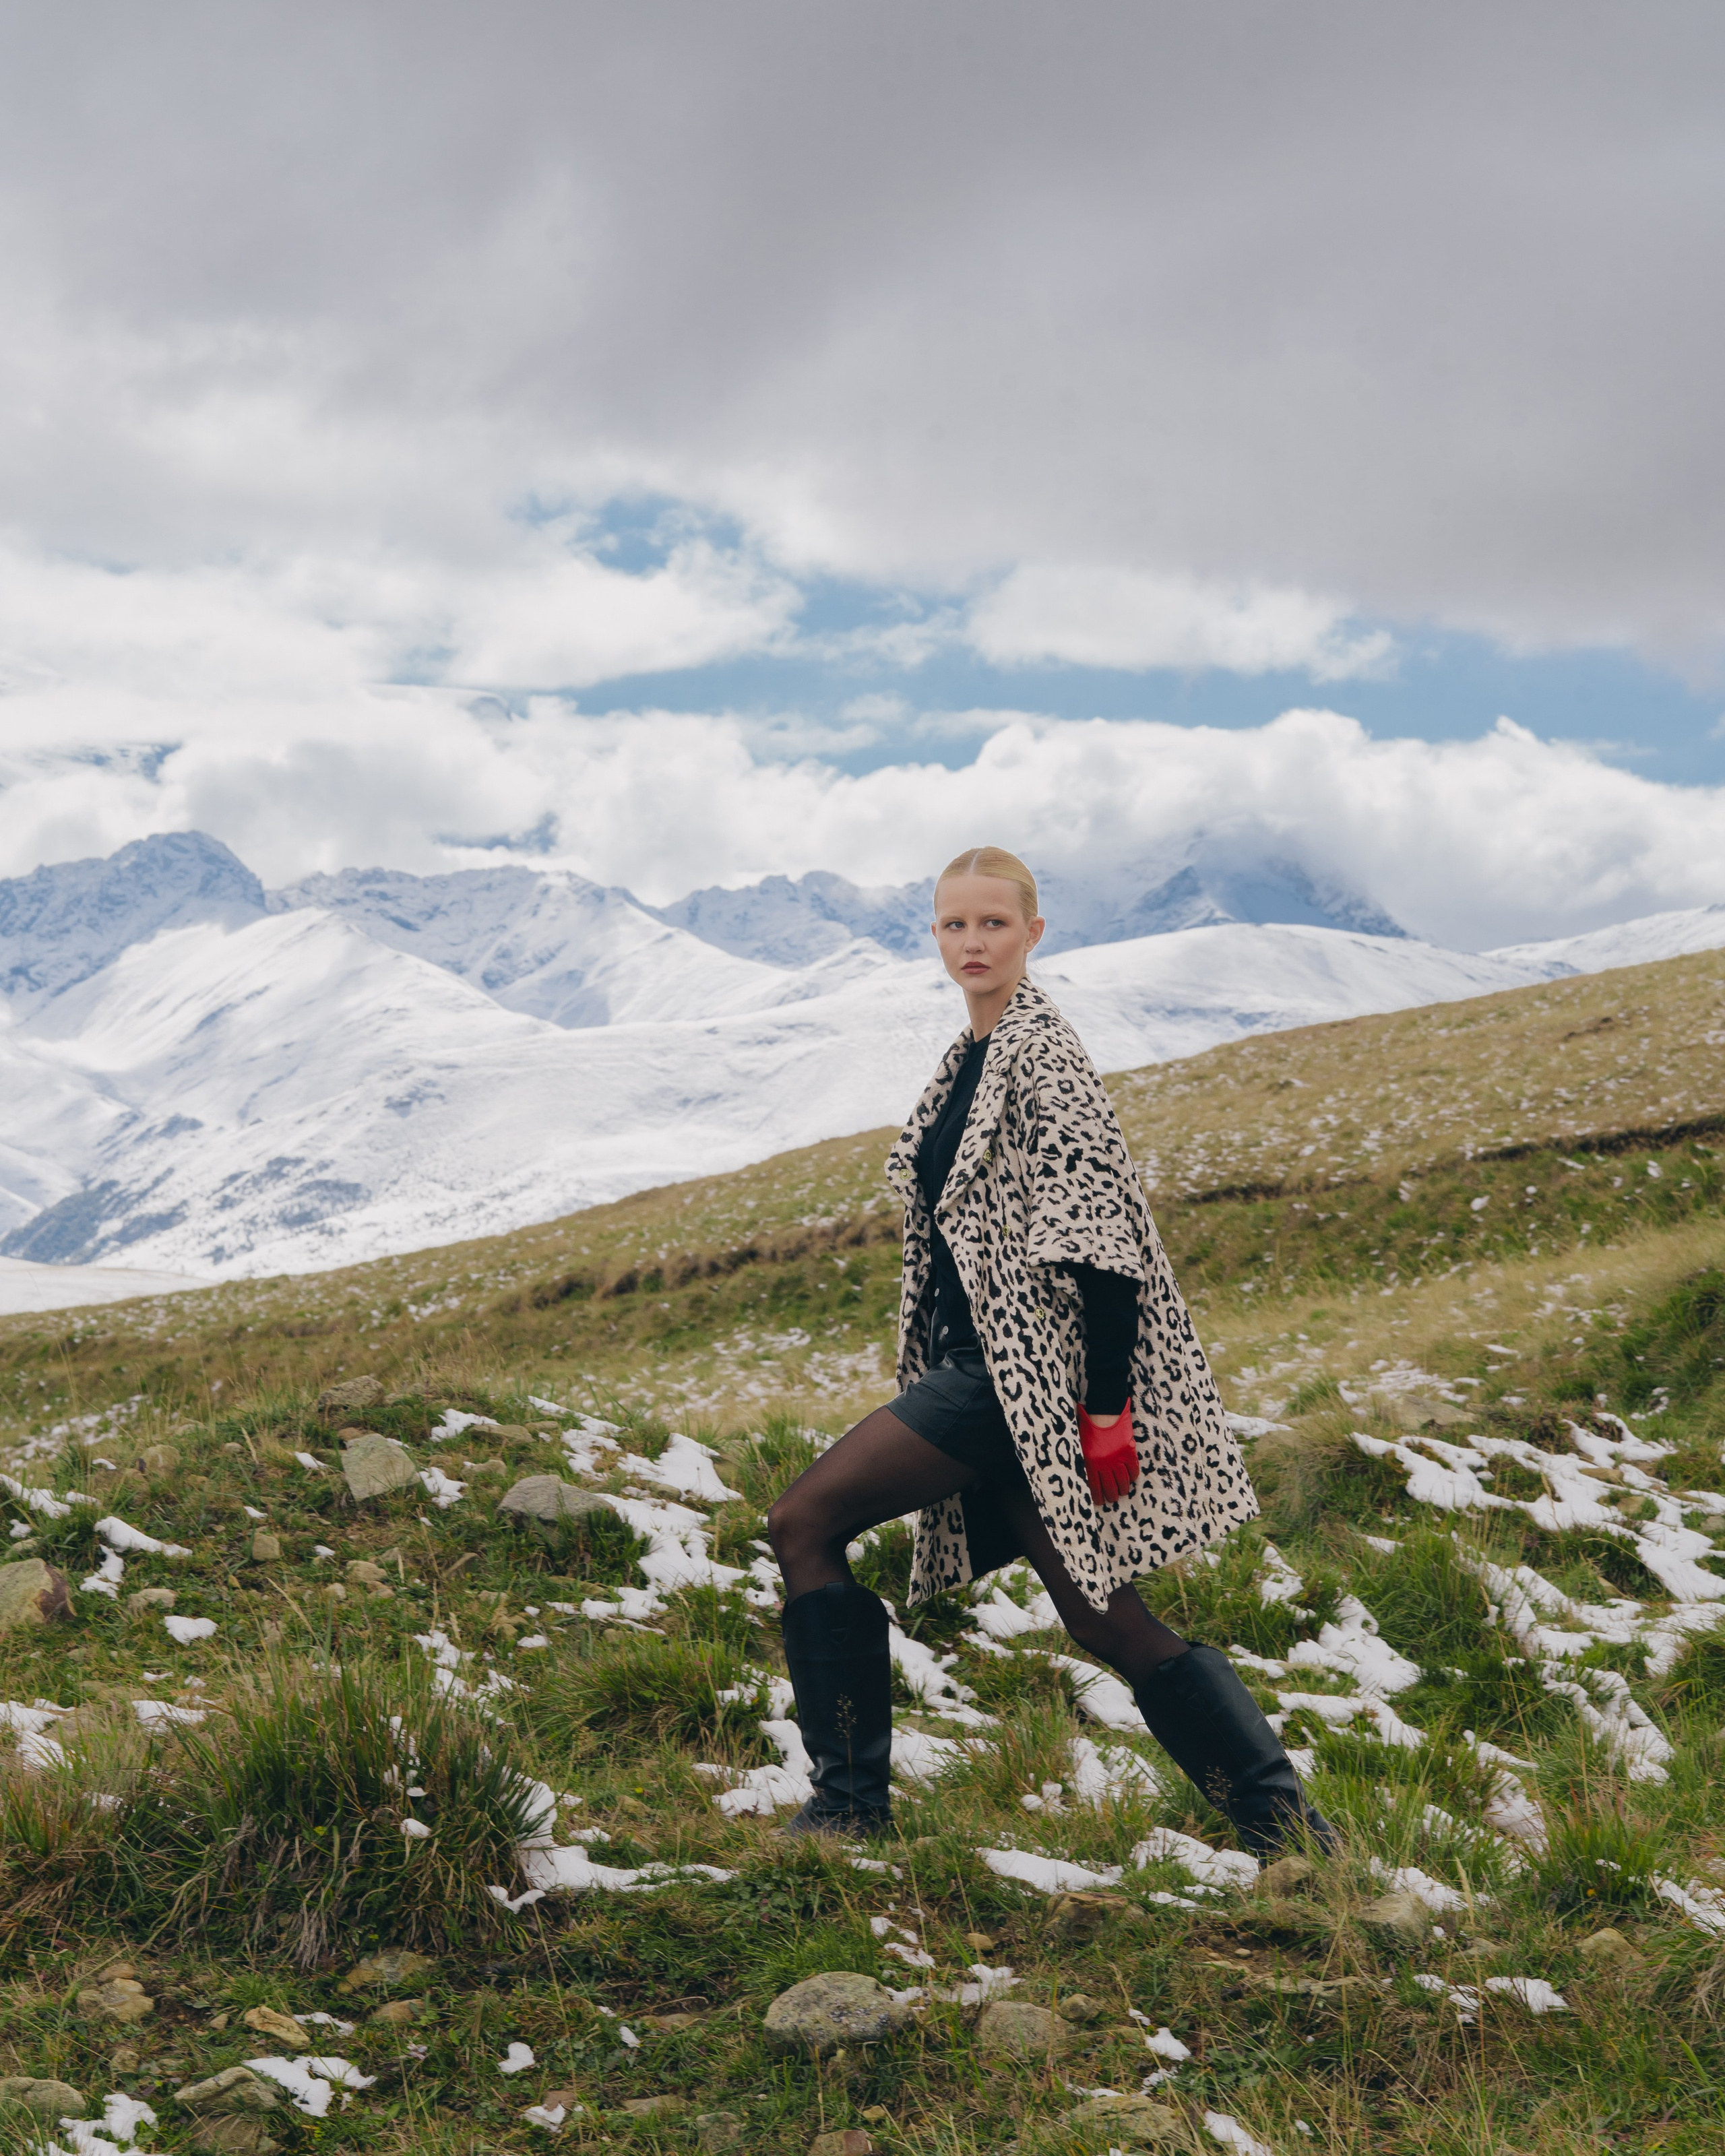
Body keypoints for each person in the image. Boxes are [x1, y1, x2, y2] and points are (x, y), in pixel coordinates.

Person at [766, 845, 1334, 1859]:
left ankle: (849, 1809)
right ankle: (1294, 1840)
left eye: (993, 923)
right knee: (1105, 1622)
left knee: (803, 1521)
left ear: (1033, 932)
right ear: (933, 935)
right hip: (992, 1376)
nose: (973, 942)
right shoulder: (971, 1058)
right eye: (954, 924)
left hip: (1010, 1382)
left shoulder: (1045, 1057)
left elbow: (1104, 1248)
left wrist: (1106, 1409)